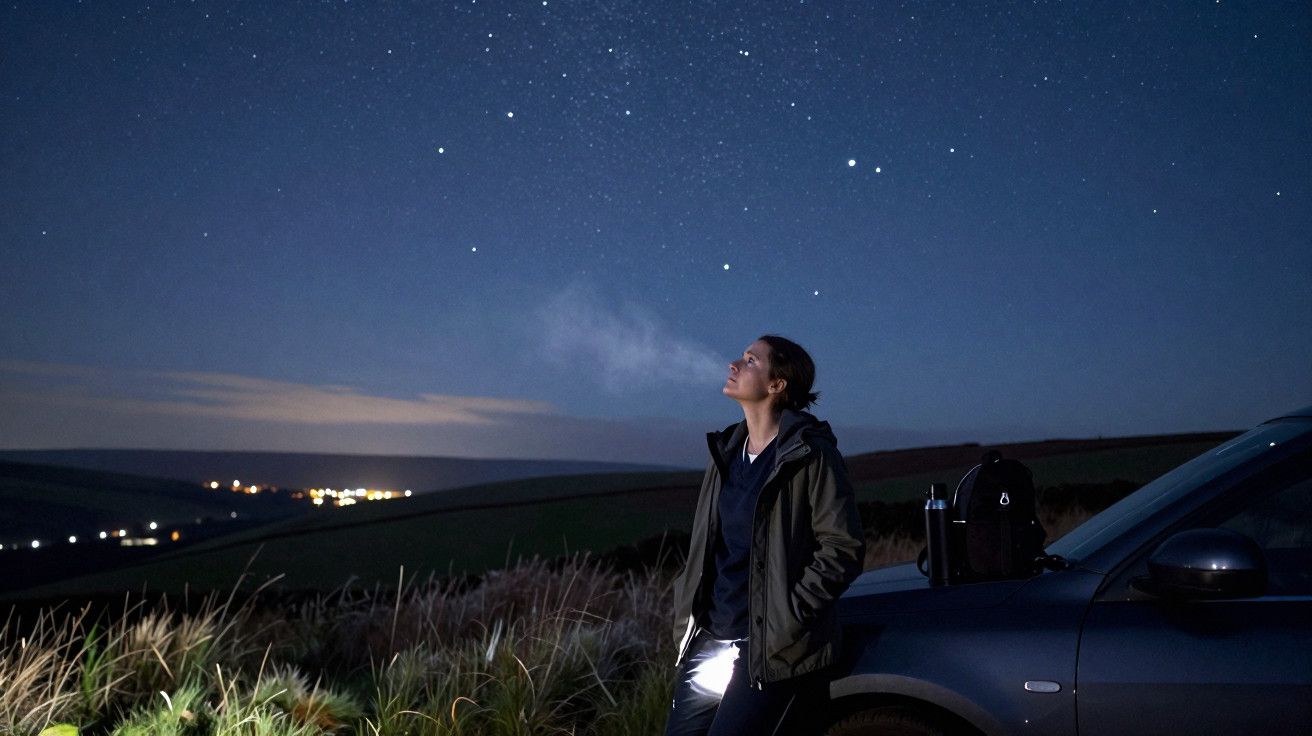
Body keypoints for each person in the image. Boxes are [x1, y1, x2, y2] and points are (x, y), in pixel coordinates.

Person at [664, 335, 866, 736]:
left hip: (766, 650)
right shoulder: (725, 452)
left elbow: (843, 547)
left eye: (750, 360)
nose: (734, 365)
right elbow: (709, 545)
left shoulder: (811, 454)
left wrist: (788, 619)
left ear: (777, 384)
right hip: (709, 639)